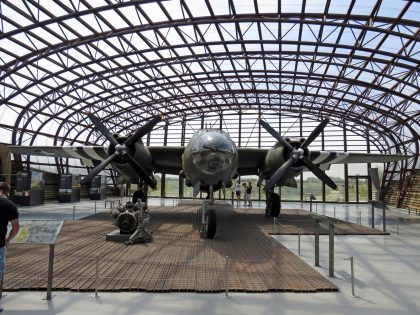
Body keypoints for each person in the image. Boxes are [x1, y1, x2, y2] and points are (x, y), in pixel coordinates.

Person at [0, 182, 20, 313]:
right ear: (7, 192)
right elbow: (16, 227)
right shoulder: (10, 206)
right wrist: (8, 239)